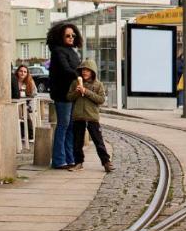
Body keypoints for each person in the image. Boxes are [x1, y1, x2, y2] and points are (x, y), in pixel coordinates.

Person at [46, 22, 83, 170]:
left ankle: (70, 158)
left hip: (72, 93)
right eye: (68, 35)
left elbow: (77, 69)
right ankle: (59, 160)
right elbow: (66, 69)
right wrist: (78, 77)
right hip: (62, 94)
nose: (71, 37)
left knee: (70, 126)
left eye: (73, 35)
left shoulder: (72, 51)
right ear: (61, 36)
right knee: (63, 125)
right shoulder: (58, 51)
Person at [70, 59, 113, 172]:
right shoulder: (75, 82)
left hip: (92, 117)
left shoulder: (98, 84)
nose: (85, 72)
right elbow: (69, 97)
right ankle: (78, 163)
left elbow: (101, 100)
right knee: (77, 142)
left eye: (87, 70)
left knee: (98, 141)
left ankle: (106, 162)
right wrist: (77, 92)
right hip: (78, 116)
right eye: (83, 70)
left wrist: (86, 91)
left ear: (92, 72)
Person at [11, 64, 39, 152]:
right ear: (17, 72)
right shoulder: (13, 80)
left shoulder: (30, 82)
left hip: (27, 103)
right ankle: (23, 133)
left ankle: (28, 134)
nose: (22, 73)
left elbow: (34, 94)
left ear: (27, 73)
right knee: (20, 112)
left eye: (25, 72)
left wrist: (29, 105)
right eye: (21, 71)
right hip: (16, 103)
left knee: (23, 112)